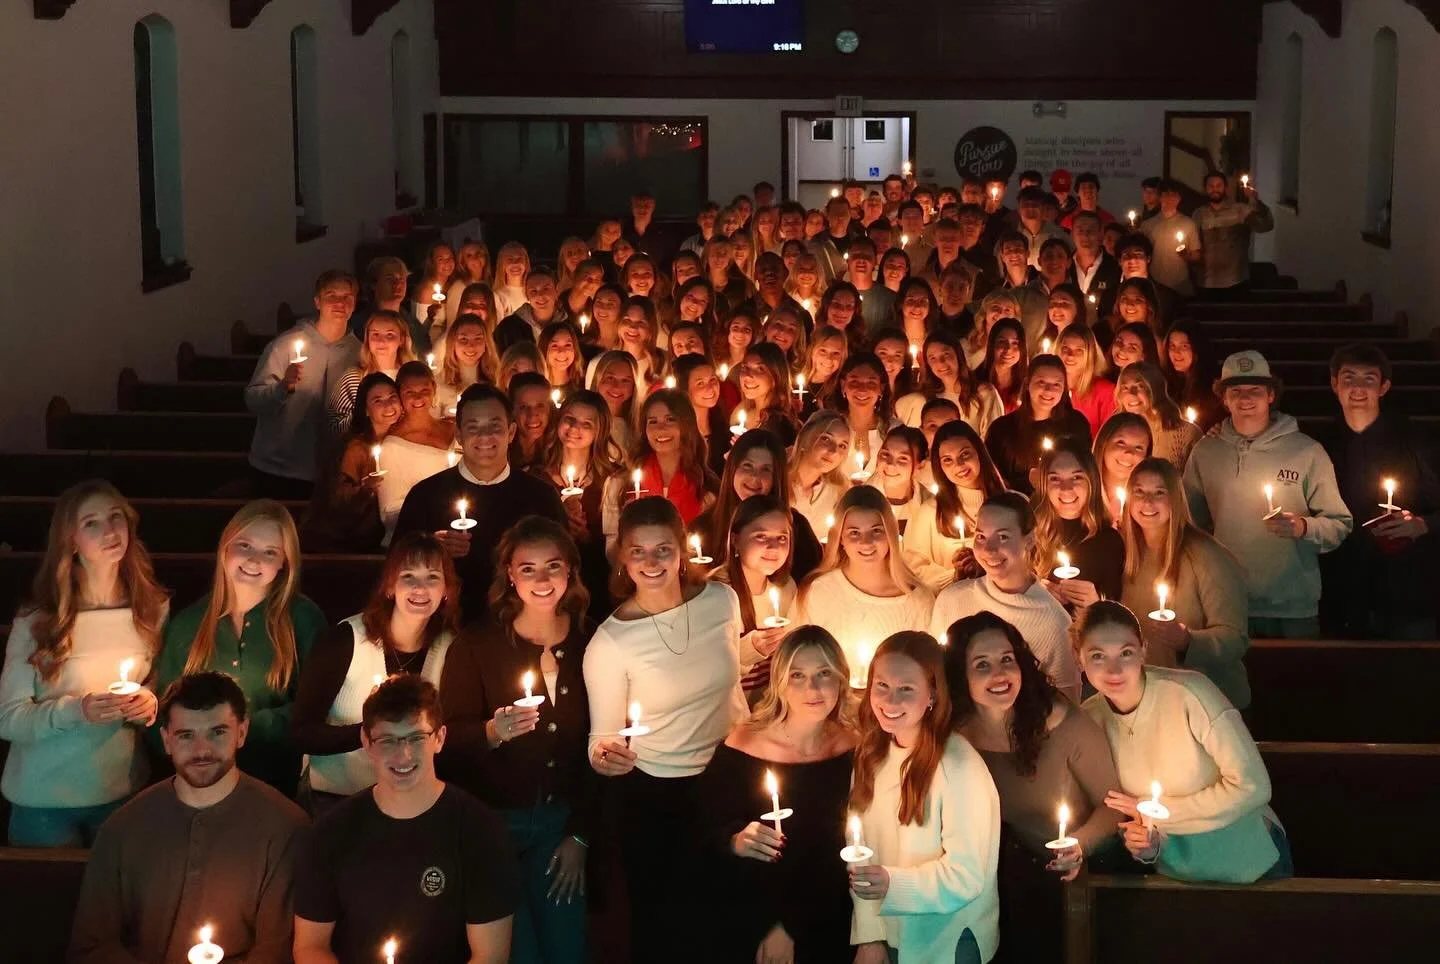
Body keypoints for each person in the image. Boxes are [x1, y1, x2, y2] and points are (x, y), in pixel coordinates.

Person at [584, 497, 747, 964]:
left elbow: (727, 672)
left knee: (734, 916)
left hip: (733, 779)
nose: (652, 562)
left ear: (682, 551)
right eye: (639, 551)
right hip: (660, 798)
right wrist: (605, 757)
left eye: (663, 549)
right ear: (623, 559)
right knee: (666, 931)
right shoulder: (611, 642)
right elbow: (602, 737)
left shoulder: (722, 599)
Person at [438, 518, 595, 964]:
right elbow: (448, 743)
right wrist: (491, 732)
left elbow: (601, 748)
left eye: (553, 567)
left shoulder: (593, 642)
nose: (541, 580)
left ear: (571, 571)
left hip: (560, 824)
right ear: (509, 573)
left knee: (566, 949)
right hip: (493, 825)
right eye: (528, 569)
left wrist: (580, 836)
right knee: (516, 952)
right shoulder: (477, 644)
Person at [69, 672, 308, 964]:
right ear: (166, 740)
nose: (202, 750)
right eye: (186, 736)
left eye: (218, 732)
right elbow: (92, 945)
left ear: (241, 733)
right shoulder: (124, 827)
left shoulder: (284, 827)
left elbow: (277, 949)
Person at [294, 675, 519, 963]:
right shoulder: (331, 833)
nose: (403, 755)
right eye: (388, 740)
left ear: (439, 738)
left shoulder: (480, 832)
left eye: (415, 737)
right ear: (367, 741)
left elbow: (490, 956)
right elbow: (310, 947)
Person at [944, 612, 1122, 964]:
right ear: (960, 676)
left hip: (1070, 871)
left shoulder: (1063, 723)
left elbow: (1114, 806)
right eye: (982, 665)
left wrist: (1079, 844)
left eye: (1006, 660)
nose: (999, 674)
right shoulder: (954, 733)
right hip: (999, 876)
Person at [0, 481, 167, 847]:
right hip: (44, 799)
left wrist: (148, 705)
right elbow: (8, 718)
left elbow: (154, 687)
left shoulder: (151, 611)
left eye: (115, 517)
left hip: (120, 791)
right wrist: (78, 710)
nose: (109, 531)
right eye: (92, 522)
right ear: (71, 539)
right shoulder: (37, 622)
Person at [1076, 602, 1290, 883]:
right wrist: (1145, 846)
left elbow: (1254, 787)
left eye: (1126, 652)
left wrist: (1156, 811)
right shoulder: (1089, 719)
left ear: (1144, 650)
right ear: (1078, 658)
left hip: (1249, 864)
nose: (1114, 670)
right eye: (1098, 656)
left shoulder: (1190, 694)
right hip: (1174, 875)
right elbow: (1121, 812)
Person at [697, 627, 856, 963]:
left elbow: (840, 848)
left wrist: (794, 925)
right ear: (780, 682)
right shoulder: (745, 746)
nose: (812, 688)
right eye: (797, 675)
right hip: (755, 913)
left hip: (829, 911)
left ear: (841, 679)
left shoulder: (853, 748)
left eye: (824, 673)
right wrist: (734, 840)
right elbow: (702, 830)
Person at [848, 631, 1000, 964]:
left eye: (906, 690)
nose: (890, 702)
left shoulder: (958, 766)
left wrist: (891, 883)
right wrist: (870, 935)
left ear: (932, 695)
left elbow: (966, 875)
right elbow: (859, 851)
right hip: (890, 933)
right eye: (882, 686)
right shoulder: (871, 755)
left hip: (948, 941)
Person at [154, 500, 324, 796]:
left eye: (270, 552)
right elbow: (165, 707)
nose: (254, 559)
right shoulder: (190, 622)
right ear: (225, 549)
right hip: (200, 783)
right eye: (244, 545)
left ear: (285, 562)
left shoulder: (303, 620)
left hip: (277, 781)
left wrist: (247, 725)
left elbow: (316, 705)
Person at [1183, 351, 1353, 638]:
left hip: (1292, 605)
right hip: (1227, 604)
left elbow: (1340, 524)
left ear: (1271, 395)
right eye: (1235, 391)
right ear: (1224, 398)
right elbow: (1189, 523)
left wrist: (1302, 527)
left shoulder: (1307, 451)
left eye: (1255, 390)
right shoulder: (1206, 451)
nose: (1245, 399)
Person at [291, 533, 458, 813]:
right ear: (390, 586)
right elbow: (301, 732)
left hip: (409, 800)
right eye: (408, 576)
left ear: (446, 591)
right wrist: (372, 732)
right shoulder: (346, 640)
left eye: (432, 577)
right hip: (334, 798)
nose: (420, 588)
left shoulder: (449, 646)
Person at [394, 383, 568, 620]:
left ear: (511, 432)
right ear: (458, 435)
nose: (484, 436)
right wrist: (433, 552)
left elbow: (566, 566)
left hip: (524, 623)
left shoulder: (541, 497)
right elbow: (395, 568)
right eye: (473, 427)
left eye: (494, 426)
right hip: (447, 625)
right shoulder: (425, 496)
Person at [1317, 343, 1440, 640]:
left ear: (1384, 387)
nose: (1358, 388)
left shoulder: (1415, 441)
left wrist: (1422, 524)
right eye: (1348, 378)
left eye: (1369, 379)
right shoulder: (1321, 444)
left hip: (1405, 589)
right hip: (1344, 588)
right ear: (1335, 385)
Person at [1120, 458, 1251, 708]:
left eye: (1159, 492)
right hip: (1151, 699)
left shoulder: (1206, 555)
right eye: (1139, 492)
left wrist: (1188, 641)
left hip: (1207, 702)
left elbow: (1235, 638)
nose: (1148, 502)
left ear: (1176, 499)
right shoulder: (1125, 553)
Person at [930, 492, 1081, 700]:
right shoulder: (952, 600)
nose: (989, 549)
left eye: (1003, 537)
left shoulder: (1053, 623)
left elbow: (1066, 703)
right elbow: (932, 676)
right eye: (981, 536)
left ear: (1029, 540)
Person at [794, 486, 935, 684]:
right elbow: (799, 662)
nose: (866, 542)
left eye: (876, 531)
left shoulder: (918, 601)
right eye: (854, 532)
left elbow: (926, 672)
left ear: (891, 535)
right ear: (840, 538)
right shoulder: (818, 591)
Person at [246, 270, 362, 497]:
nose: (340, 303)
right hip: (278, 468)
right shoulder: (286, 345)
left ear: (355, 303)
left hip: (331, 471)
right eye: (331, 296)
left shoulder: (359, 352)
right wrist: (282, 389)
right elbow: (253, 400)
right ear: (317, 302)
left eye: (347, 297)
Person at [534, 389, 624, 623]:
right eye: (570, 420)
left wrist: (586, 537)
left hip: (596, 586)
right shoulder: (536, 477)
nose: (575, 429)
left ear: (599, 431)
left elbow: (617, 546)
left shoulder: (613, 480)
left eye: (586, 424)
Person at [705, 495, 800, 706]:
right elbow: (704, 673)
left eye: (781, 538)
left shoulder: (786, 587)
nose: (773, 547)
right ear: (736, 539)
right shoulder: (714, 593)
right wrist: (751, 649)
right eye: (761, 536)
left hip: (769, 712)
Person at [695, 429, 824, 583]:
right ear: (732, 469)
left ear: (777, 477)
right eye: (747, 465)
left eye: (766, 469)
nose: (755, 476)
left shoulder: (798, 530)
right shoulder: (703, 529)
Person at [903, 421, 1006, 593]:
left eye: (965, 454)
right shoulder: (930, 512)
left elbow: (1032, 560)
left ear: (979, 452)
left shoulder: (1013, 503)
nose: (958, 465)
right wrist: (955, 575)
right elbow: (914, 569)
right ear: (940, 467)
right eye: (947, 460)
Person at [304, 372, 397, 551]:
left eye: (392, 397)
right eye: (378, 400)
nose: (388, 405)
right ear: (365, 410)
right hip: (346, 538)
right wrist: (364, 489)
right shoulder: (356, 447)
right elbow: (338, 498)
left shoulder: (397, 440)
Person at [1034, 439, 1125, 608]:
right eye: (1055, 478)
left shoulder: (1110, 542)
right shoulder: (1029, 535)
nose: (1066, 488)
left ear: (1092, 482)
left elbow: (1115, 614)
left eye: (1076, 477)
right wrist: (1034, 590)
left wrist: (1096, 603)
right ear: (1043, 485)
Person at [984, 354, 1092, 496]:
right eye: (1041, 382)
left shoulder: (1076, 424)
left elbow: (1086, 471)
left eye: (1056, 384)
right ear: (1028, 384)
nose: (1048, 390)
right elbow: (992, 479)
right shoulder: (1002, 430)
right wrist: (1028, 480)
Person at [375, 362, 454, 541]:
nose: (418, 398)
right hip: (419, 540)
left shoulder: (454, 429)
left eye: (424, 390)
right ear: (400, 395)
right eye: (410, 392)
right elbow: (389, 512)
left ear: (434, 389)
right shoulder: (393, 447)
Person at [896, 330, 1004, 439]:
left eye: (946, 354)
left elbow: (994, 439)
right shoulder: (925, 398)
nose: (941, 362)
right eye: (933, 358)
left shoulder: (983, 393)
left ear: (958, 355)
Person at [325, 310, 416, 435]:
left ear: (401, 339)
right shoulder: (354, 378)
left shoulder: (411, 377)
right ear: (367, 339)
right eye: (375, 334)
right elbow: (335, 425)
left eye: (389, 335)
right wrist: (367, 415)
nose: (381, 342)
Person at [1194, 171, 1274, 290]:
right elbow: (1195, 246)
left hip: (1235, 281)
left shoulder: (1240, 210)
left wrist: (1256, 202)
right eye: (1211, 186)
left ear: (1225, 188)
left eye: (1219, 185)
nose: (1215, 189)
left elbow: (1266, 226)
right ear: (1205, 189)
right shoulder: (1199, 214)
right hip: (1206, 282)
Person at [1114, 361, 1202, 468]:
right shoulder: (1113, 432)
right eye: (1125, 388)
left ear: (1155, 389)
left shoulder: (1187, 434)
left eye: (1140, 386)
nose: (1131, 393)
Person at [788, 410, 854, 541]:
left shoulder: (839, 491)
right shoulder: (776, 481)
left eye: (842, 445)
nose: (834, 451)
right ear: (805, 437)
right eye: (826, 438)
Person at [1139, 179, 1200, 296]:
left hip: (1181, 285)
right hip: (1156, 285)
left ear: (1179, 198)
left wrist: (1186, 255)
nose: (1169, 198)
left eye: (1174, 195)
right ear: (1160, 197)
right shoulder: (1147, 225)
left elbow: (1196, 255)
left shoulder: (1189, 223)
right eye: (1166, 194)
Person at [733, 342, 799, 447]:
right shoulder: (745, 412)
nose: (748, 376)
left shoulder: (777, 426)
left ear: (777, 377)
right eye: (745, 367)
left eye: (760, 369)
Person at [867, 427, 930, 535]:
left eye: (903, 458)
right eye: (886, 454)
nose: (890, 464)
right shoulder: (858, 500)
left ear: (921, 466)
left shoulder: (930, 507)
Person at [434, 312, 500, 415]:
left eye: (478, 339)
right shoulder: (438, 384)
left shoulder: (498, 380)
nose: (471, 346)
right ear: (453, 343)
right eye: (463, 339)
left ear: (486, 343)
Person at [1056, 324, 1116, 436]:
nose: (1070, 355)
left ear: (1090, 354)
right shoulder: (1049, 388)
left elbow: (1108, 437)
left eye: (1079, 350)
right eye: (1066, 348)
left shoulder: (1105, 392)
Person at [1162, 319, 1223, 429]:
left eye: (1184, 346)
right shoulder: (1165, 382)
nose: (1176, 352)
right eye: (1172, 346)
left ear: (1197, 348)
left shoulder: (1214, 385)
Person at [1094, 411, 1153, 521]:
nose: (1129, 453)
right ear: (1103, 444)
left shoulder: (1149, 503)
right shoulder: (1084, 493)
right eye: (1121, 442)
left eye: (1139, 447)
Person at [495, 267, 569, 353]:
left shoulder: (568, 324)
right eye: (533, 291)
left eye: (546, 289)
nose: (540, 295)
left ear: (556, 290)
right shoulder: (508, 328)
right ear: (527, 295)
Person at [973, 316, 1028, 414]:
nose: (1008, 349)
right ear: (992, 345)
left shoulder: (1028, 381)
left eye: (1015, 343)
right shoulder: (975, 381)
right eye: (1002, 342)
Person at [508, 371, 555, 470]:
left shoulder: (558, 450)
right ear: (512, 410)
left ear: (550, 408)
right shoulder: (500, 449)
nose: (533, 415)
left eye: (540, 406)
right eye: (524, 407)